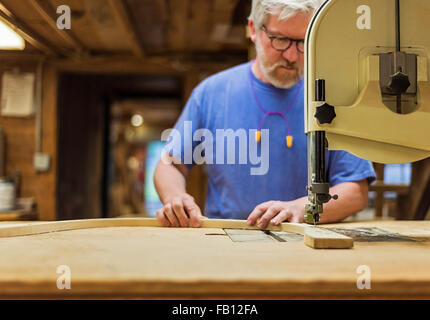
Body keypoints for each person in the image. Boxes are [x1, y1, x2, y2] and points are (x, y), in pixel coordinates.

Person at [154, 0, 376, 228]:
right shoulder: (211, 93)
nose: (292, 55)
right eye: (280, 39)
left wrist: (303, 208)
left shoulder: (333, 98)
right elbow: (170, 164)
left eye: (303, 42)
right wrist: (175, 198)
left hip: (304, 244)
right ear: (253, 29)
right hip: (223, 243)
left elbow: (355, 190)